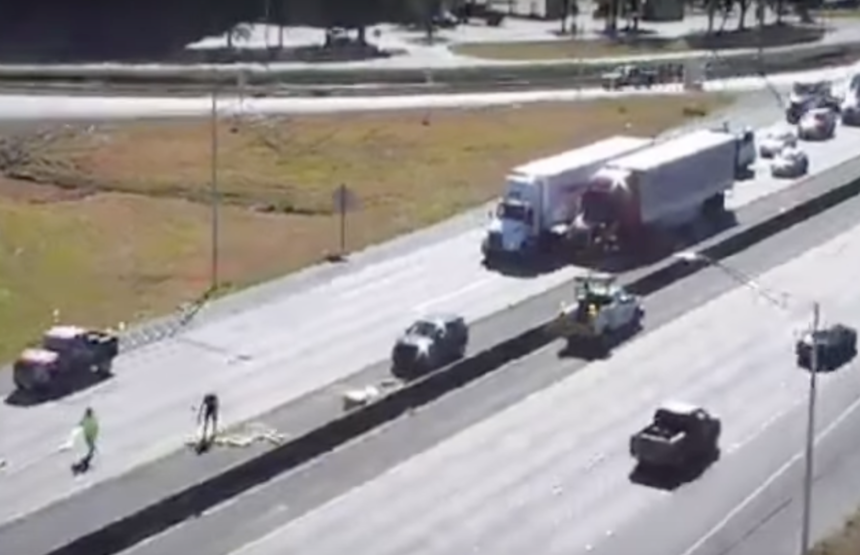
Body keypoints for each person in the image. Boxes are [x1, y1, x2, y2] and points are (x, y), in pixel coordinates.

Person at [77, 407, 99, 472]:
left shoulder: (87, 419)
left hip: (89, 437)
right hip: (87, 437)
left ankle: (84, 462)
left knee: (91, 451)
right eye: (90, 412)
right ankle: (84, 463)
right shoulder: (87, 419)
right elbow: (81, 425)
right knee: (91, 451)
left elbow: (80, 425)